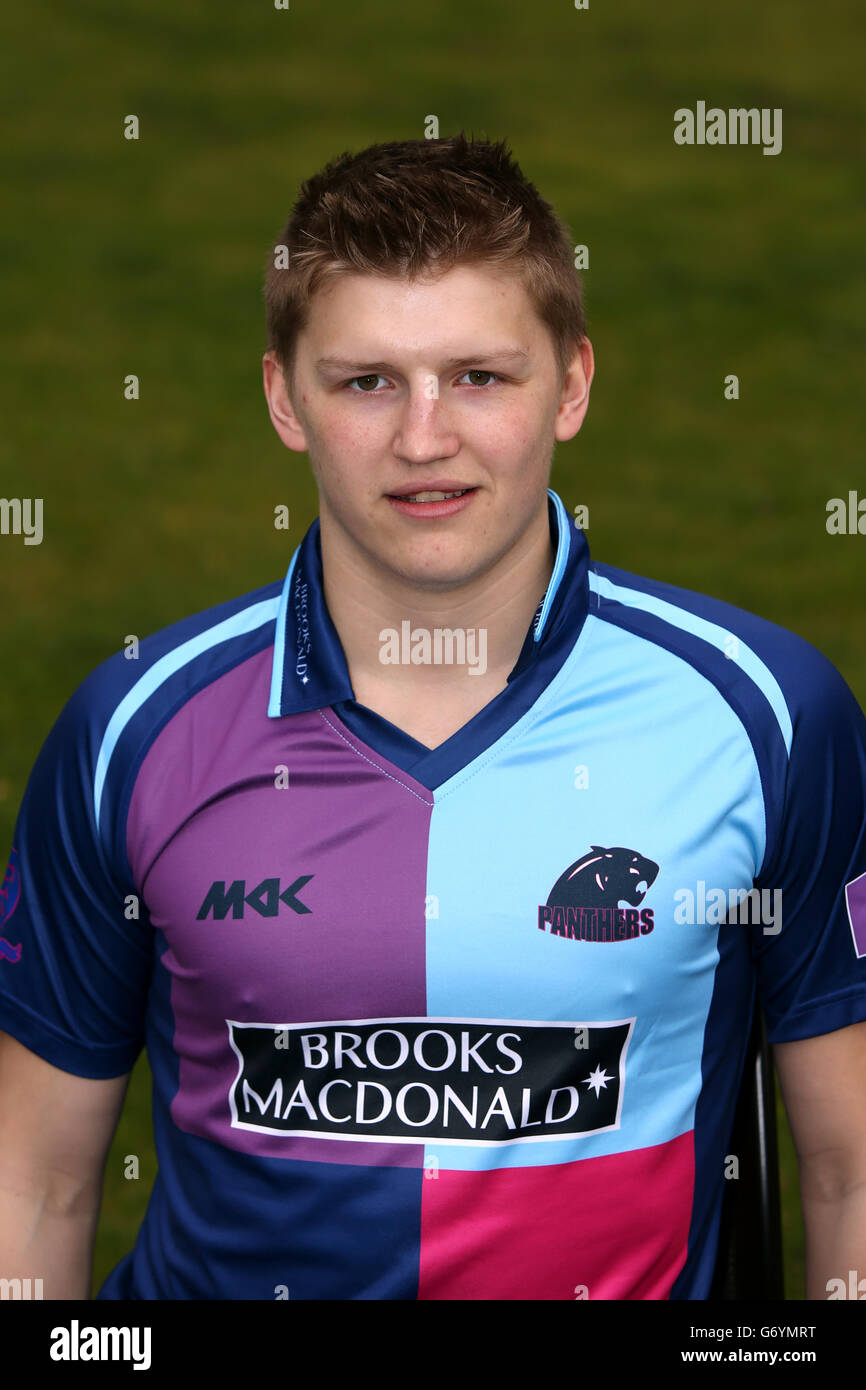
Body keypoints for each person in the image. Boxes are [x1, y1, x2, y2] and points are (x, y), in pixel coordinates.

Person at [1, 133, 865, 1301]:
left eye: (478, 376)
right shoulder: (134, 727)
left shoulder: (766, 714)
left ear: (568, 386)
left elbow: (846, 1169)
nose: (422, 439)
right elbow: (37, 1182)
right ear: (282, 398)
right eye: (367, 381)